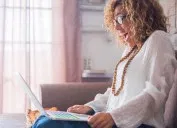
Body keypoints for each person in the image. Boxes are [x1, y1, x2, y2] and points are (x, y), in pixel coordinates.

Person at [32, 0, 177, 128]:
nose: (117, 28)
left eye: (121, 18)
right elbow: (115, 92)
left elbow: (155, 93)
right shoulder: (130, 49)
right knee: (44, 119)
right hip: (115, 121)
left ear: (140, 15)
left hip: (139, 125)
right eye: (114, 22)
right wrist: (90, 107)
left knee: (48, 124)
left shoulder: (159, 40)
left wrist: (114, 117)